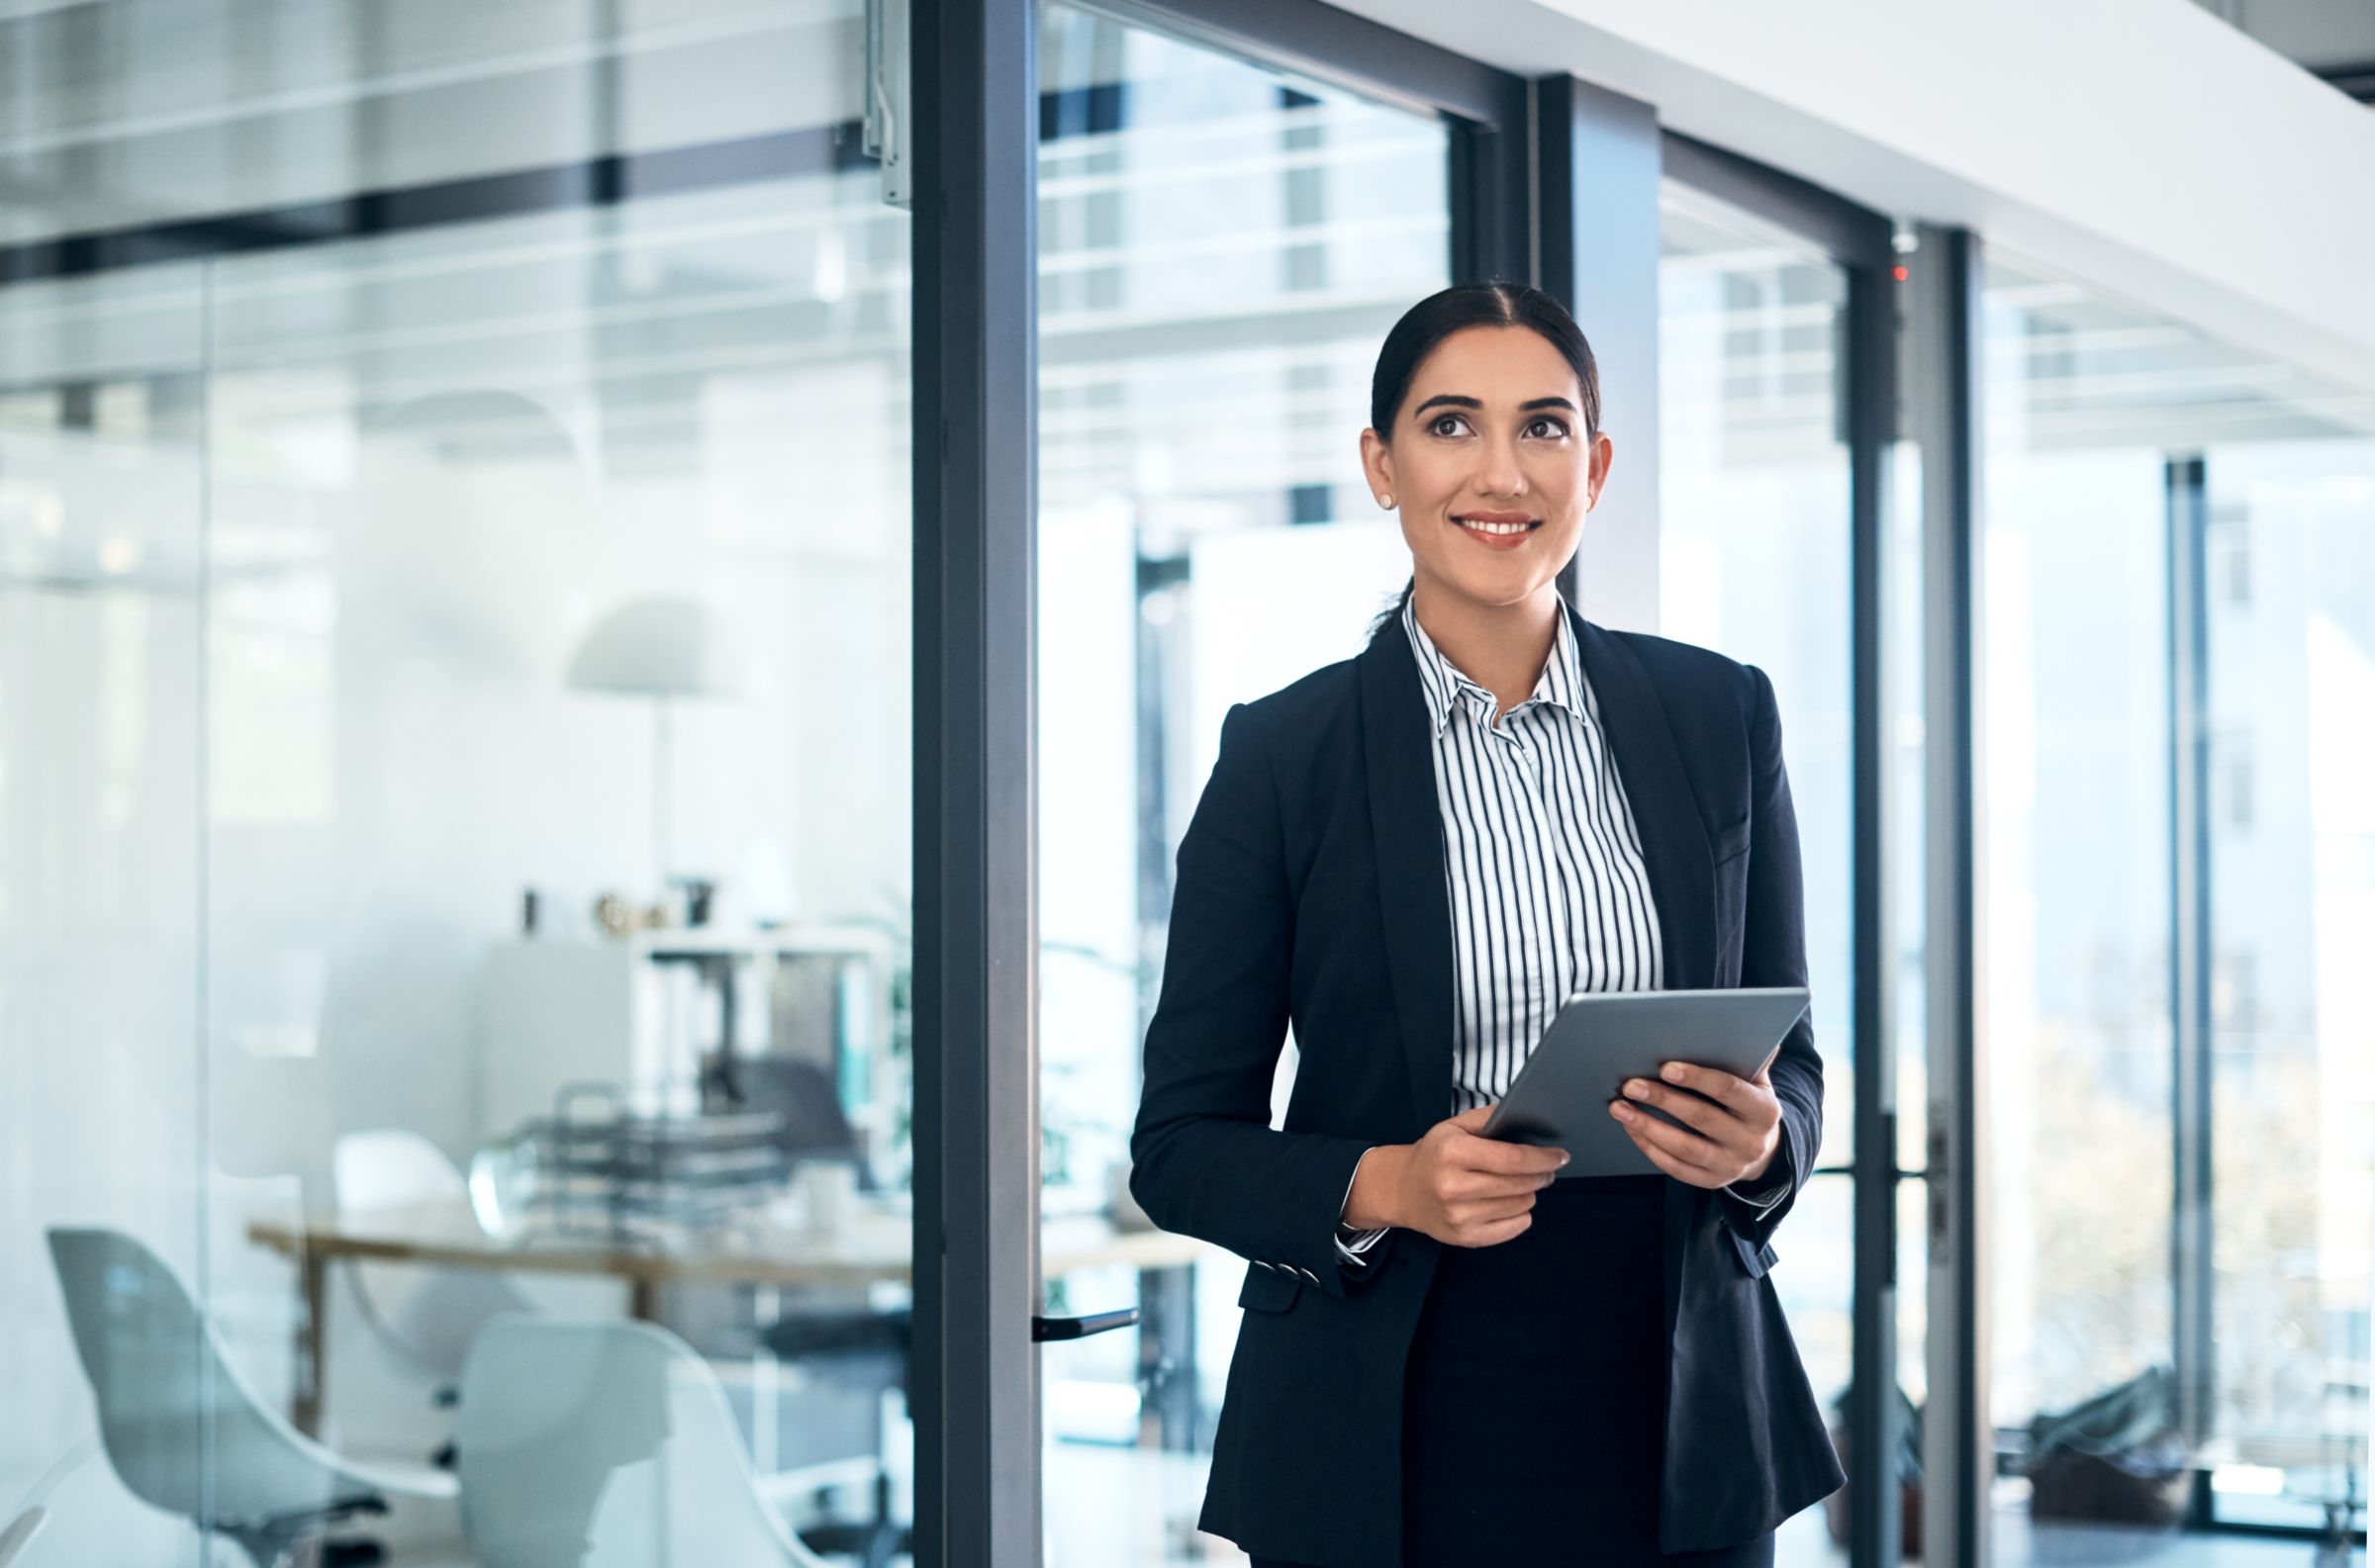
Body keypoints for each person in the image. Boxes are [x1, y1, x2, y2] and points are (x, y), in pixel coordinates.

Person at [1127, 282, 1846, 1567]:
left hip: (1683, 1412)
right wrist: (1389, 1179)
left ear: (1598, 463)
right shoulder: (1285, 756)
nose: (1503, 471)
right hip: (1392, 1406)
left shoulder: (1720, 717)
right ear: (1381, 463)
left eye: (1547, 427)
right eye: (1452, 424)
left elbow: (1790, 1058)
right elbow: (1180, 1143)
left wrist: (1763, 1142)